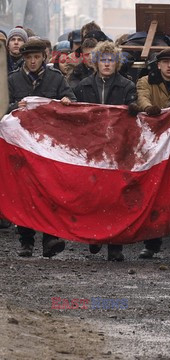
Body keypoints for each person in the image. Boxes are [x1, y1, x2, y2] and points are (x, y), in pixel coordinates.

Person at [7, 39, 76, 257]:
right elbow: (2, 107)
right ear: (24, 59)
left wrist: (66, 100)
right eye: (29, 58)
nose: (33, 61)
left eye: (36, 57)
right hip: (21, 145)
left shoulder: (56, 78)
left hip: (48, 146)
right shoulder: (12, 80)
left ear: (43, 58)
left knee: (49, 191)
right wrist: (13, 107)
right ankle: (26, 241)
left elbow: (72, 100)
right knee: (24, 194)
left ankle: (50, 238)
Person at [73, 41, 136, 261]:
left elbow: (132, 112)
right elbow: (75, 112)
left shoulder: (127, 86)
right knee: (93, 195)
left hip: (117, 149)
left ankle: (115, 245)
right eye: (103, 60)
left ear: (117, 63)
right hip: (92, 148)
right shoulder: (83, 86)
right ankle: (95, 236)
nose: (107, 64)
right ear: (96, 62)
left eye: (111, 60)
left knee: (116, 197)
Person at [132, 48, 170, 263]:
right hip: (154, 150)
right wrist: (151, 109)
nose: (169, 66)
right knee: (154, 194)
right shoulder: (146, 81)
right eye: (165, 62)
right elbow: (142, 98)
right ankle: (152, 243)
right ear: (158, 65)